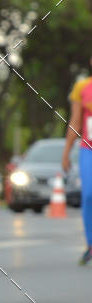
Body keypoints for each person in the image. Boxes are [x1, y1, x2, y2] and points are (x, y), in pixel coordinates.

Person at [62, 65, 92, 264]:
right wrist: (66, 151)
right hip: (87, 149)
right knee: (89, 194)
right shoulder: (82, 87)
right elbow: (75, 121)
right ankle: (91, 244)